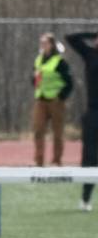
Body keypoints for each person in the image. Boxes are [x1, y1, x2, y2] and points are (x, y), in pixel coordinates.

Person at [66, 29, 98, 211]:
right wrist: (93, 33)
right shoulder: (90, 54)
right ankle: (85, 198)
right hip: (94, 113)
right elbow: (71, 38)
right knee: (90, 157)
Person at [32, 32, 73, 167]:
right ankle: (39, 161)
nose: (43, 45)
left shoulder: (59, 61)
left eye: (45, 43)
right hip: (41, 99)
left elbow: (69, 82)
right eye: (41, 43)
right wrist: (34, 81)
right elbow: (34, 78)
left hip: (55, 101)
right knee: (38, 130)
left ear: (52, 45)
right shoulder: (38, 59)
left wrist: (61, 96)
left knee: (57, 132)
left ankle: (57, 160)